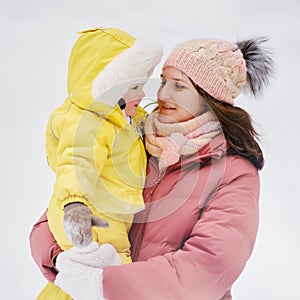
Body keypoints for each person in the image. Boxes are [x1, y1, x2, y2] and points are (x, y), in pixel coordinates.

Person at [30, 36, 274, 299]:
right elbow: (55, 215)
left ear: (210, 98)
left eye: (179, 86)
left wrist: (102, 283)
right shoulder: (134, 139)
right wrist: (63, 262)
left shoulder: (233, 172)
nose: (162, 94)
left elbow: (208, 266)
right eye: (163, 80)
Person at [32, 26, 163, 299]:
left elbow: (143, 129)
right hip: (90, 218)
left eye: (143, 83)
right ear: (107, 86)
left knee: (91, 281)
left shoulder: (122, 117)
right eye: (134, 86)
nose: (142, 93)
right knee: (101, 278)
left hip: (108, 216)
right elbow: (76, 162)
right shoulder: (89, 123)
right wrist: (74, 204)